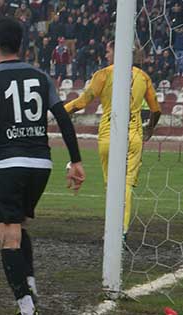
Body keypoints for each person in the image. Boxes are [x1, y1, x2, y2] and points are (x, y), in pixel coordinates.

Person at [0, 18, 85, 315]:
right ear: (22, 44)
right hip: (40, 164)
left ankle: (26, 307)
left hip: (7, 163)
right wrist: (75, 161)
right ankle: (30, 281)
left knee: (7, 236)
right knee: (18, 223)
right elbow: (63, 119)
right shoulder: (41, 76)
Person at [64, 40, 162, 238]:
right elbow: (156, 109)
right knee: (125, 184)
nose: (106, 55)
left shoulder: (104, 74)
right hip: (133, 137)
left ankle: (112, 230)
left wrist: (59, 111)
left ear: (117, 52)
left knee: (112, 185)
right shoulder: (143, 77)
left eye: (108, 51)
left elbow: (81, 103)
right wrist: (150, 127)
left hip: (109, 136)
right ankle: (122, 229)